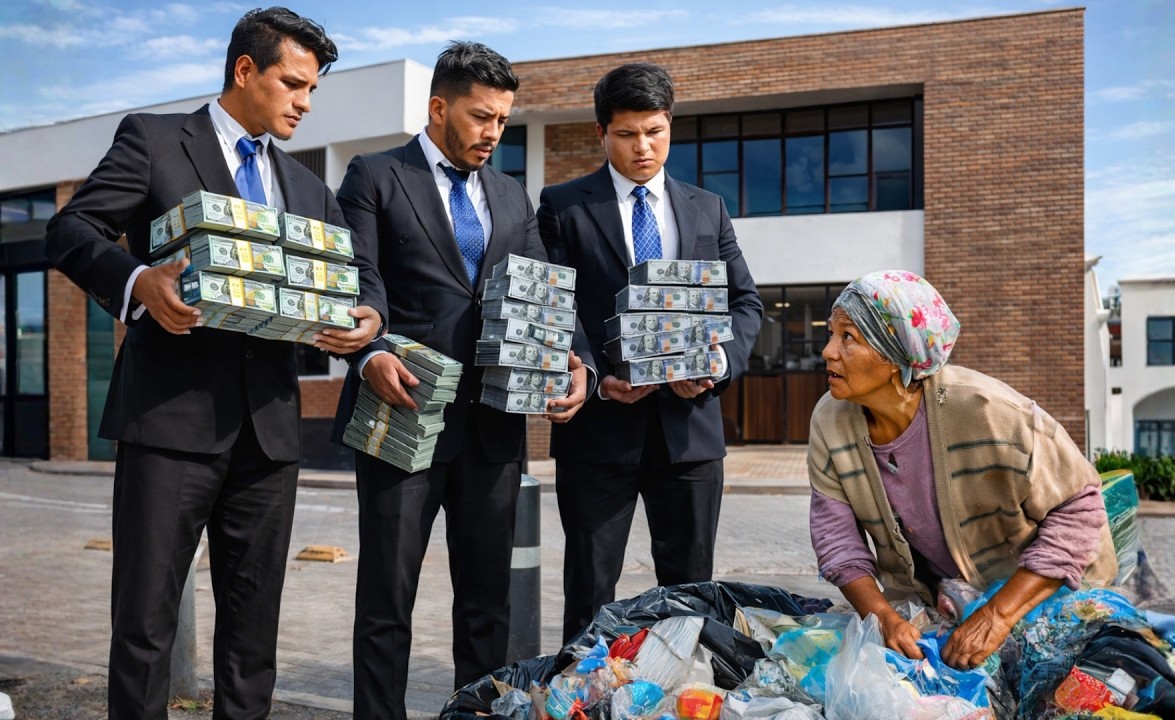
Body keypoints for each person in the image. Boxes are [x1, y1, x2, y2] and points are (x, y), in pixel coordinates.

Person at [43, 8, 383, 718]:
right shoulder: (156, 140)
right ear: (244, 70)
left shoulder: (308, 188)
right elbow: (72, 228)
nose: (305, 103)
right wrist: (140, 283)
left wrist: (367, 318)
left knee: (253, 636)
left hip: (270, 434)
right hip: (169, 423)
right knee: (144, 628)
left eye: (313, 89)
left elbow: (360, 274)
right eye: (293, 83)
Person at [331, 40, 594, 713]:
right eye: (481, 117)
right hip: (403, 412)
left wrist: (575, 358)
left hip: (494, 430)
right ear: (439, 107)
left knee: (487, 606)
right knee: (387, 603)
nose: (493, 133)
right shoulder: (374, 175)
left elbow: (545, 293)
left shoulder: (511, 195)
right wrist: (369, 353)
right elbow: (358, 280)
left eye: (503, 120)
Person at [537, 62, 764, 643]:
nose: (643, 147)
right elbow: (554, 305)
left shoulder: (706, 208)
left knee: (691, 593)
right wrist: (593, 371)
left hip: (689, 434)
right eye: (627, 133)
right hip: (599, 431)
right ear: (601, 133)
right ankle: (580, 698)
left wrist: (714, 366)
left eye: (655, 131)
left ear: (671, 126)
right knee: (589, 588)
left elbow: (746, 304)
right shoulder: (563, 205)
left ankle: (685, 693)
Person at [808, 270, 1117, 670]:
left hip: (1046, 595)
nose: (828, 351)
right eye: (831, 334)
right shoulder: (830, 422)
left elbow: (1079, 509)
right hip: (945, 604)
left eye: (847, 337)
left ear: (894, 353)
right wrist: (883, 616)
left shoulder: (989, 411)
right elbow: (837, 541)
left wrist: (998, 615)